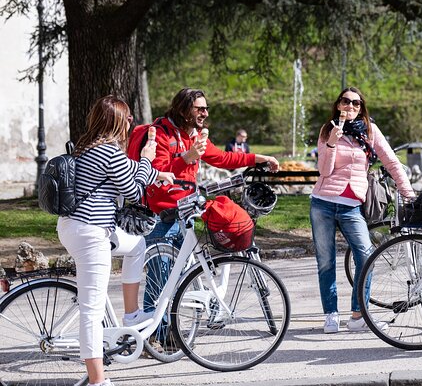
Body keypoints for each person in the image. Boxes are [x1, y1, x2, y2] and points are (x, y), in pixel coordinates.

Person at [138, 87, 279, 347]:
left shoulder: (193, 135)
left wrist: (260, 158)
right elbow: (154, 171)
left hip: (185, 211)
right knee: (160, 278)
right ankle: (152, 338)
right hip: (161, 214)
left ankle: (164, 333)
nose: (205, 113)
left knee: (176, 277)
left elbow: (223, 157)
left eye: (206, 108)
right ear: (183, 109)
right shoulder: (161, 133)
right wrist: (187, 157)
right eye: (199, 108)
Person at [57, 95, 174, 386]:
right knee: (91, 309)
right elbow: (134, 190)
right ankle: (98, 382)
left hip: (77, 227)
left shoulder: (86, 147)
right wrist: (148, 158)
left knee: (137, 246)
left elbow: (130, 171)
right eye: (128, 117)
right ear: (116, 121)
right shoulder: (108, 152)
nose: (131, 121)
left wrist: (156, 172)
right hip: (90, 232)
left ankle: (132, 315)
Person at [310, 87, 415, 334]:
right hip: (322, 203)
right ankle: (331, 314)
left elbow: (391, 162)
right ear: (338, 105)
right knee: (325, 262)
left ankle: (358, 315)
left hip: (351, 205)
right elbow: (324, 171)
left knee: (366, 256)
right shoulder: (327, 130)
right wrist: (333, 142)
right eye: (346, 102)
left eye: (356, 104)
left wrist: (408, 193)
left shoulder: (369, 130)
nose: (351, 107)